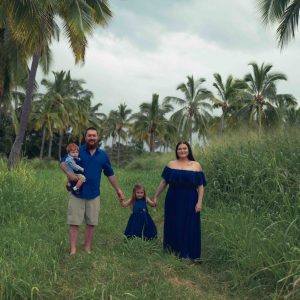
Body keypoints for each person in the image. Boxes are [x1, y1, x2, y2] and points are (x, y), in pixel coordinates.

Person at [60, 127, 125, 255]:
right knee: (74, 222)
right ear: (85, 137)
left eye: (94, 136)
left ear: (97, 137)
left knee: (91, 223)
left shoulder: (103, 155)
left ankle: (87, 247)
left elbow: (110, 174)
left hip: (94, 194)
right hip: (77, 194)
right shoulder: (77, 151)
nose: (92, 138)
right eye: (89, 135)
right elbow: (63, 163)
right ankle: (73, 249)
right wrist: (70, 175)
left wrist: (118, 190)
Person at [153, 141, 206, 260]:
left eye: (184, 148)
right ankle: (172, 251)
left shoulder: (196, 165)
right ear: (176, 151)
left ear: (189, 150)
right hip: (173, 198)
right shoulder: (171, 164)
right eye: (180, 149)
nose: (182, 151)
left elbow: (201, 185)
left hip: (191, 198)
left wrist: (199, 202)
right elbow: (164, 182)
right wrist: (156, 195)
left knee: (189, 225)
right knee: (173, 223)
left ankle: (189, 254)